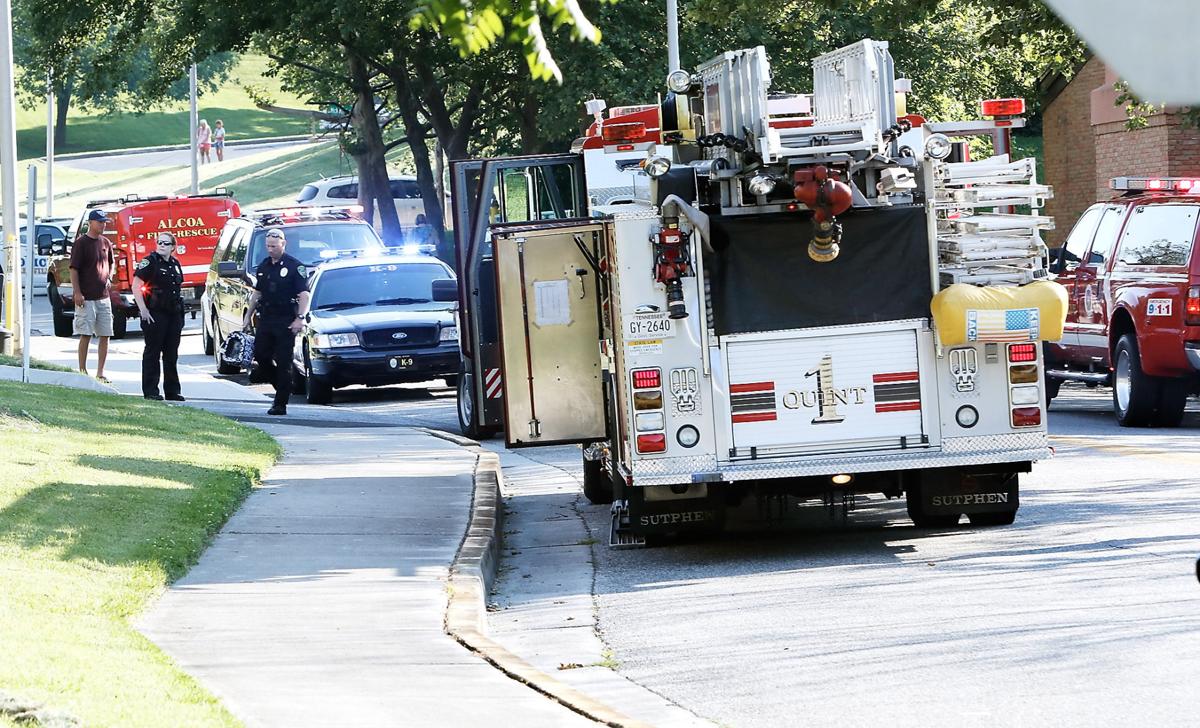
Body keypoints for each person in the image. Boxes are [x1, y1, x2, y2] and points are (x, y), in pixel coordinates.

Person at [243, 228, 310, 415]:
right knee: (261, 357)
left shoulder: (295, 266)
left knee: (283, 361)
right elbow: (258, 293)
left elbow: (304, 295)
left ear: (283, 244)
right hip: (266, 318)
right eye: (268, 246)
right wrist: (248, 315)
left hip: (286, 320)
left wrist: (300, 318)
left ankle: (280, 403)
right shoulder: (264, 266)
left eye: (274, 246)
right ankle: (284, 386)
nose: (270, 249)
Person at [133, 232, 186, 401]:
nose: (161, 245)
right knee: (153, 352)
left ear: (173, 247)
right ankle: (151, 391)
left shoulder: (175, 264)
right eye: (159, 242)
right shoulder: (149, 262)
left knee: (171, 353)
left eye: (166, 243)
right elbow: (136, 285)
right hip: (155, 313)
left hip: (173, 313)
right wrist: (143, 310)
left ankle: (172, 390)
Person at [70, 209, 115, 383]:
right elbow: (74, 269)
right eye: (100, 222)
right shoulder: (81, 243)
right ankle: (82, 370)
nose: (103, 225)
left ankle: (100, 372)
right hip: (86, 297)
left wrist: (109, 276)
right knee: (86, 334)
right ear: (91, 223)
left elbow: (111, 262)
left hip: (103, 297)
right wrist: (77, 292)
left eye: (104, 222)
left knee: (105, 334)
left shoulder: (105, 242)